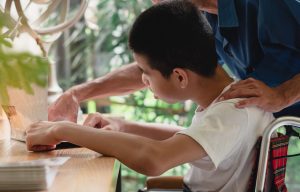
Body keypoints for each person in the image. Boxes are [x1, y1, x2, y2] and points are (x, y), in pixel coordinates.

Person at [27, 1, 274, 192]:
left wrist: (64, 129)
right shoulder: (226, 102)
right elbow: (190, 138)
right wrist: (123, 125)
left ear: (179, 76)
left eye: (146, 72)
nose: (143, 80)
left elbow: (154, 159)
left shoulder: (234, 111)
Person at [48, 0, 300, 122]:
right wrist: (77, 93)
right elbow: (157, 66)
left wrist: (283, 95)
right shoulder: (204, 16)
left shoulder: (268, 3)